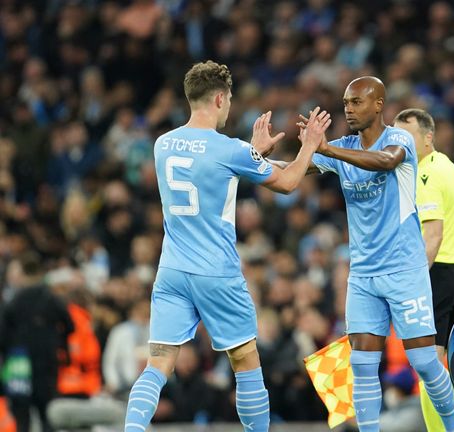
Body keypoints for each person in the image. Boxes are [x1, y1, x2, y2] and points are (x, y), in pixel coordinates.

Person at [122, 60, 331, 432]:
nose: (230, 106)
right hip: (216, 271)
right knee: (246, 360)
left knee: (158, 364)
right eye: (230, 99)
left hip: (171, 270)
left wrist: (254, 154)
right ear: (220, 99)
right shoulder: (229, 148)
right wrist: (309, 147)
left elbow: (211, 172)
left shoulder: (162, 144)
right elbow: (287, 183)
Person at [295, 76, 454, 432]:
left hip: (404, 269)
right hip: (364, 276)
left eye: (357, 102)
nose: (349, 109)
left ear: (379, 105)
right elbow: (293, 172)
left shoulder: (398, 139)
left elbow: (385, 161)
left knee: (425, 362)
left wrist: (326, 150)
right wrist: (256, 157)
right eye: (345, 103)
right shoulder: (342, 147)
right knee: (363, 365)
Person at [393, 108, 454, 430]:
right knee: (444, 363)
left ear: (428, 137)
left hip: (436, 274)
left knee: (429, 364)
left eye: (408, 137)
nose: (401, 144)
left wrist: (415, 279)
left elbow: (433, 235)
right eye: (397, 137)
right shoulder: (447, 167)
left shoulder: (425, 174)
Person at [0, 251, 74, 432]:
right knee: (47, 415)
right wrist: (60, 346)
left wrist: (8, 355)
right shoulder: (51, 299)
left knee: (22, 417)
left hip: (19, 364)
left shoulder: (14, 302)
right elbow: (70, 325)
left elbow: (2, 335)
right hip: (47, 363)